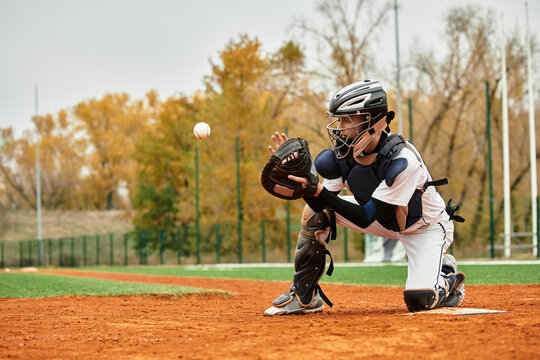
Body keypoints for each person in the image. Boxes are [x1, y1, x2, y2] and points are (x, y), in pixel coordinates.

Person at [264, 79, 465, 315]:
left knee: (419, 301)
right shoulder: (344, 154)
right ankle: (304, 295)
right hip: (383, 218)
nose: (340, 127)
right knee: (316, 213)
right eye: (339, 119)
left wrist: (316, 190)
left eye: (347, 119)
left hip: (424, 227)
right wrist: (306, 186)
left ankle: (447, 276)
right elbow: (322, 203)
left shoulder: (402, 161)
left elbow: (365, 217)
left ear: (372, 121)